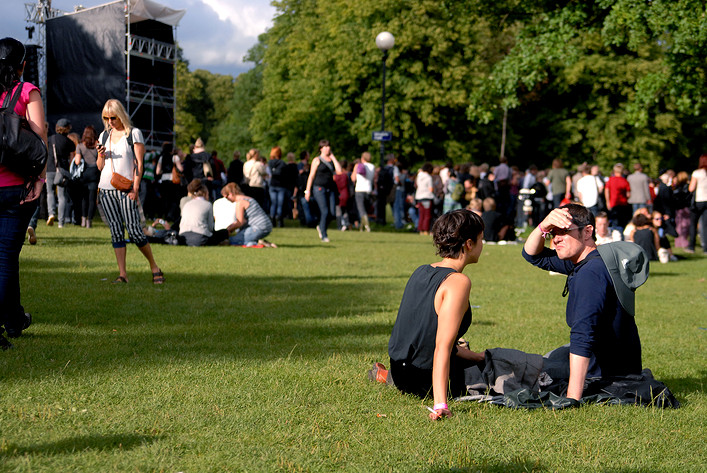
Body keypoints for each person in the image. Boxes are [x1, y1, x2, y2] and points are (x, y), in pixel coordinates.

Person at [373, 209, 486, 420]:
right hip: (422, 380)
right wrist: (440, 404)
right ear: (469, 244)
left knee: (480, 358)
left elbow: (425, 335)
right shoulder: (458, 282)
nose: (483, 244)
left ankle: (386, 376)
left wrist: (477, 356)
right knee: (504, 369)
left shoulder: (422, 270)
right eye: (481, 239)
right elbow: (442, 346)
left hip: (399, 370)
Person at [522, 203, 643, 400]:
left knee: (521, 365)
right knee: (549, 357)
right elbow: (532, 255)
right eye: (553, 233)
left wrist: (572, 397)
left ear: (587, 232)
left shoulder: (590, 272)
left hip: (604, 374)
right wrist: (543, 226)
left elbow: (583, 333)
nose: (556, 239)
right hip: (621, 366)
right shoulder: (592, 260)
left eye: (564, 231)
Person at [0, 37, 47, 346]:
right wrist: (40, 182)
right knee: (5, 258)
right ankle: (12, 321)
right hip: (16, 185)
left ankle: (14, 320)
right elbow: (40, 136)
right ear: (23, 65)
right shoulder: (27, 91)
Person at [96, 99, 163, 284]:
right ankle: (122, 274)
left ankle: (154, 267)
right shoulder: (104, 136)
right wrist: (101, 154)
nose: (110, 121)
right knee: (116, 232)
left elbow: (139, 165)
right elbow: (99, 166)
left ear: (121, 115)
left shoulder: (133, 134)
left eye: (113, 117)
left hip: (127, 189)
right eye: (106, 118)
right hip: (106, 190)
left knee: (135, 232)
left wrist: (135, 188)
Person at [304, 140, 342, 242]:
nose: (327, 148)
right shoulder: (317, 160)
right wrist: (307, 190)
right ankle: (324, 234)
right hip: (319, 188)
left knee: (332, 213)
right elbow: (311, 176)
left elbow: (339, 171)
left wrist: (333, 157)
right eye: (325, 146)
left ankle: (321, 226)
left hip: (331, 188)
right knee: (324, 211)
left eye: (328, 146)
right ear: (321, 148)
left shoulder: (331, 160)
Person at [178, 179, 231, 246]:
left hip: (184, 237)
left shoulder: (187, 204)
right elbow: (210, 227)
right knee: (224, 232)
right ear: (205, 194)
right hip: (200, 237)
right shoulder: (207, 205)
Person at [47, 118, 75, 227]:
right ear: (67, 128)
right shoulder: (69, 142)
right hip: (62, 171)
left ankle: (51, 213)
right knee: (62, 196)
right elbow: (72, 158)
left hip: (50, 169)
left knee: (50, 193)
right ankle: (61, 222)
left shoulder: (50, 139)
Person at [73, 126, 100, 227]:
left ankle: (83, 220)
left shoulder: (80, 145)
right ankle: (90, 221)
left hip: (84, 174)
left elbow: (77, 161)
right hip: (94, 173)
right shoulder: (97, 145)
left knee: (84, 198)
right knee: (92, 199)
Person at [687, 153, 707, 253]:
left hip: (698, 201)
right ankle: (705, 248)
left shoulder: (697, 173)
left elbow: (691, 188)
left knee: (693, 224)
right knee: (705, 225)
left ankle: (692, 246)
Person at [352, 151, 375, 232]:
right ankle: (361, 227)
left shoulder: (359, 166)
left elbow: (353, 178)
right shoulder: (372, 166)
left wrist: (355, 169)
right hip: (368, 190)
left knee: (361, 209)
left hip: (359, 189)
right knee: (364, 209)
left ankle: (367, 226)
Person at [604, 163, 632, 229]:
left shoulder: (610, 180)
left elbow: (606, 191)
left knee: (614, 222)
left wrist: (608, 202)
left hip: (613, 203)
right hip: (623, 204)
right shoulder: (624, 181)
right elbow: (628, 194)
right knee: (622, 223)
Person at [267, 146, 288, 227]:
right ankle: (280, 220)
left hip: (272, 185)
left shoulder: (269, 163)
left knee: (273, 203)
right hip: (280, 185)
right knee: (280, 204)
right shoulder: (282, 163)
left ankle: (273, 220)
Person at [415, 163, 435, 235]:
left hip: (419, 197)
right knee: (427, 216)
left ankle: (420, 230)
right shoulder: (428, 177)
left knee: (421, 215)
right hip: (427, 197)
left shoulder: (419, 176)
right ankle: (425, 230)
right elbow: (430, 189)